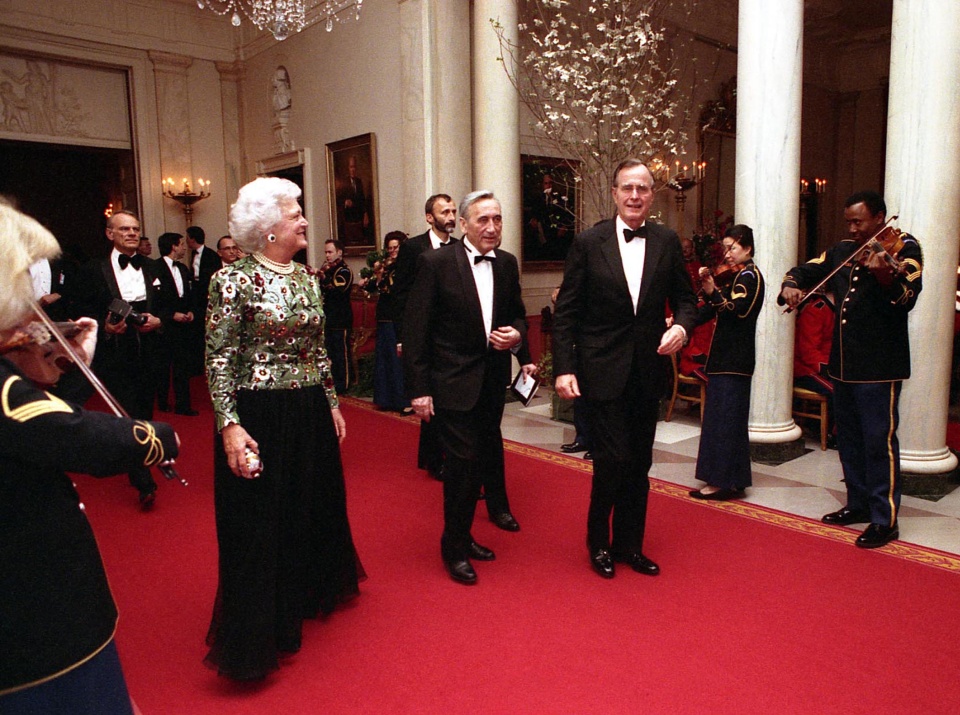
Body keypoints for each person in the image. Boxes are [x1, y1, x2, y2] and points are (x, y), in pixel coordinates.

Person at [0, 202, 179, 714]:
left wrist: (75, 364)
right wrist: (158, 437)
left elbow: (43, 418)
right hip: (32, 611)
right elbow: (63, 433)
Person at [204, 177, 364, 681]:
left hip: (307, 411)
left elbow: (317, 350)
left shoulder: (305, 277)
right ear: (270, 227)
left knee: (308, 504)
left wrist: (332, 404)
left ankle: (300, 593)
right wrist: (229, 425)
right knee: (259, 517)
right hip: (259, 413)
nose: (303, 220)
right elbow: (219, 356)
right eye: (296, 212)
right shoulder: (232, 280)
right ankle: (258, 627)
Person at [553, 158, 697, 579]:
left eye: (643, 189)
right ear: (615, 193)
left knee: (639, 465)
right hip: (601, 370)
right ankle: (598, 543)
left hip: (647, 372)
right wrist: (564, 368)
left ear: (652, 195)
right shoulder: (588, 242)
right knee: (611, 461)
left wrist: (683, 328)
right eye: (627, 188)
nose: (635, 196)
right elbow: (566, 313)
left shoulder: (667, 241)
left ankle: (630, 545)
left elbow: (687, 300)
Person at [779, 190, 923, 548]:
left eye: (859, 221)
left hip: (879, 367)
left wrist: (886, 277)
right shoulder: (843, 250)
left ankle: (884, 519)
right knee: (850, 440)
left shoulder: (904, 248)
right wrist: (791, 284)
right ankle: (857, 504)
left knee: (878, 442)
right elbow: (808, 267)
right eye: (849, 222)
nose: (853, 228)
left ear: (879, 218)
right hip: (843, 365)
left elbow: (909, 295)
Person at [403, 190, 529, 585]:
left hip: (492, 383)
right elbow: (417, 330)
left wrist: (517, 337)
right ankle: (453, 546)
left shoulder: (507, 264)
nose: (492, 228)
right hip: (451, 383)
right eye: (482, 220)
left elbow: (518, 316)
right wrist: (419, 390)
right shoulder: (435, 263)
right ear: (463, 224)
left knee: (477, 461)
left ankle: (464, 535)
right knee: (461, 465)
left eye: (497, 219)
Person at [75, 209, 169, 509]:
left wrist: (160, 320)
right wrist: (105, 326)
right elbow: (78, 307)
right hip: (116, 350)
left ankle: (136, 459)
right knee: (126, 412)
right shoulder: (93, 269)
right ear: (110, 233)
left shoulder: (155, 267)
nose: (131, 233)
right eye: (124, 229)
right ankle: (144, 480)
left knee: (144, 409)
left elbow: (171, 304)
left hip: (151, 349)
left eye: (135, 229)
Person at [689, 225, 765, 500]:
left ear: (748, 249)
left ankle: (721, 482)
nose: (728, 254)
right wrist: (681, 323)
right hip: (724, 358)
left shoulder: (750, 277)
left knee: (725, 420)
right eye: (726, 248)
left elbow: (737, 312)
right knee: (724, 419)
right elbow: (711, 309)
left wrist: (712, 290)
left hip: (735, 359)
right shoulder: (735, 277)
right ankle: (733, 479)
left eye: (733, 248)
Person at [393, 193, 459, 480]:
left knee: (447, 397)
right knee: (428, 394)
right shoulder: (413, 248)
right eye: (445, 212)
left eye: (454, 211)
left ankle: (442, 455)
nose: (452, 216)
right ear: (430, 218)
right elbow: (402, 295)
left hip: (449, 336)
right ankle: (434, 459)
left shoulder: (459, 247)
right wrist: (402, 338)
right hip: (421, 335)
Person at [155, 232, 197, 416]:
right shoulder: (154, 268)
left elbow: (189, 294)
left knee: (182, 366)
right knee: (163, 366)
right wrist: (171, 315)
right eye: (181, 244)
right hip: (164, 325)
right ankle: (162, 402)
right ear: (173, 246)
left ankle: (183, 405)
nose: (184, 247)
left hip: (183, 326)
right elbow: (153, 299)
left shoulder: (182, 268)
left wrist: (190, 311)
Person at [369, 231, 409, 411]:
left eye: (396, 248)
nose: (392, 251)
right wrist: (378, 274)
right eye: (390, 248)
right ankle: (385, 399)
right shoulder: (386, 266)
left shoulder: (406, 267)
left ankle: (402, 400)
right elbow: (379, 288)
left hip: (398, 318)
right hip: (384, 316)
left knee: (397, 361)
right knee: (384, 360)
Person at [793, 289, 836, 447]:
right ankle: (833, 434)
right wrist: (830, 368)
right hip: (806, 368)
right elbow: (808, 351)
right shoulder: (816, 309)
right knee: (835, 390)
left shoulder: (837, 308)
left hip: (827, 365)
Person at [319, 238, 354, 394]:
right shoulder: (326, 269)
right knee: (329, 352)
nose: (327, 255)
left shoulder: (344, 271)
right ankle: (329, 382)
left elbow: (337, 289)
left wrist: (322, 278)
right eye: (326, 252)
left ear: (339, 253)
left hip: (341, 318)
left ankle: (343, 384)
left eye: (330, 252)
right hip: (328, 317)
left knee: (341, 354)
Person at [186, 225, 221, 375]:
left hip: (206, 298)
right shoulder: (192, 254)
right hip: (196, 299)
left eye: (187, 237)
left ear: (192, 239)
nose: (186, 240)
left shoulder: (211, 255)